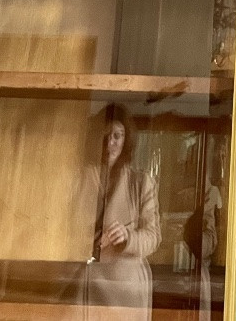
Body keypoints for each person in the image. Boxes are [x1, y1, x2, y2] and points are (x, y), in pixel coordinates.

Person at [81, 104, 161, 321]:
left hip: (126, 288)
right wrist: (93, 242)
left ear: (127, 140)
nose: (110, 143)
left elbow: (153, 237)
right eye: (106, 134)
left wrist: (128, 238)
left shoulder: (142, 182)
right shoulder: (81, 178)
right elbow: (64, 229)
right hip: (88, 282)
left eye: (118, 135)